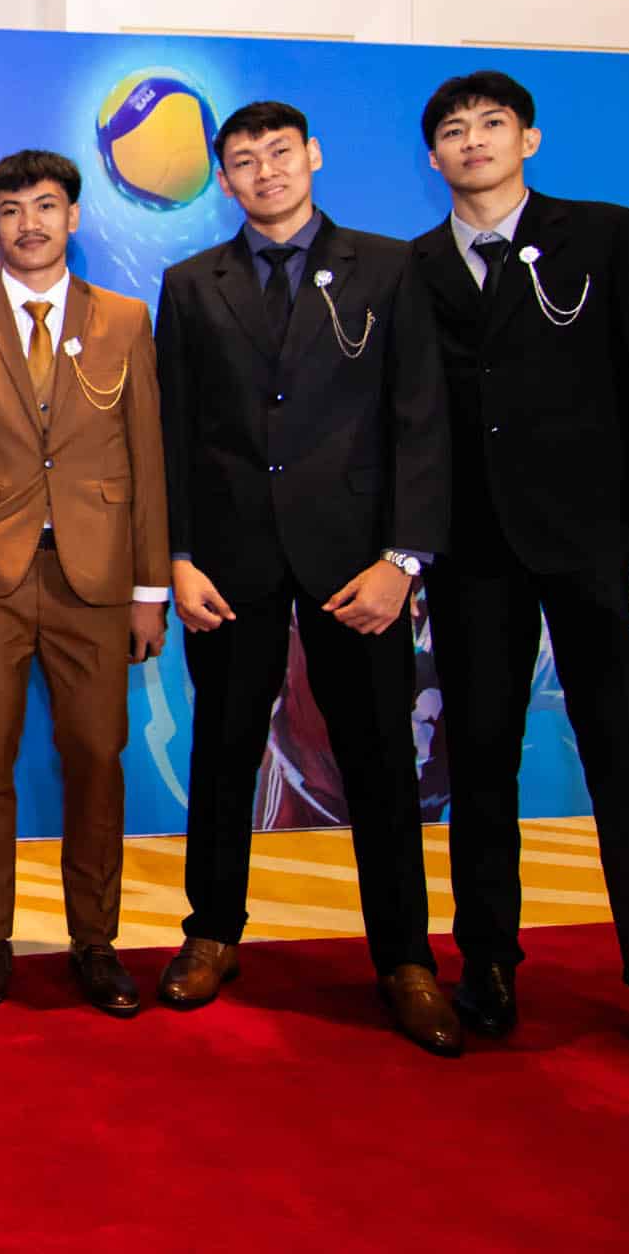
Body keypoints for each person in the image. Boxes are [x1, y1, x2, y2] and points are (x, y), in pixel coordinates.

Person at [411, 69, 629, 1095]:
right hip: (472, 559)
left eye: (489, 124)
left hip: (601, 553)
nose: (471, 142)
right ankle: (487, 967)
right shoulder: (411, 269)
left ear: (527, 139)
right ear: (431, 157)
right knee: (480, 771)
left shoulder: (607, 237)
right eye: (450, 132)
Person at [153, 101, 460, 1056]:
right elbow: (174, 430)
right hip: (232, 564)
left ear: (313, 157)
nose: (263, 173)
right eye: (241, 162)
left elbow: (421, 418)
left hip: (355, 564)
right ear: (224, 178)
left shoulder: (390, 266)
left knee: (377, 760)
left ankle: (404, 958)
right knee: (223, 753)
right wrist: (178, 556)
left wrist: (402, 560)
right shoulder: (191, 283)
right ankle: (211, 934)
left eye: (278, 154)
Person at [0, 149, 169, 1013]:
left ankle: (94, 942)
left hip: (94, 582)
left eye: (48, 206)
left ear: (74, 218)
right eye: (13, 209)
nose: (31, 223)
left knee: (97, 759)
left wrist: (149, 588)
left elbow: (147, 460)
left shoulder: (126, 319)